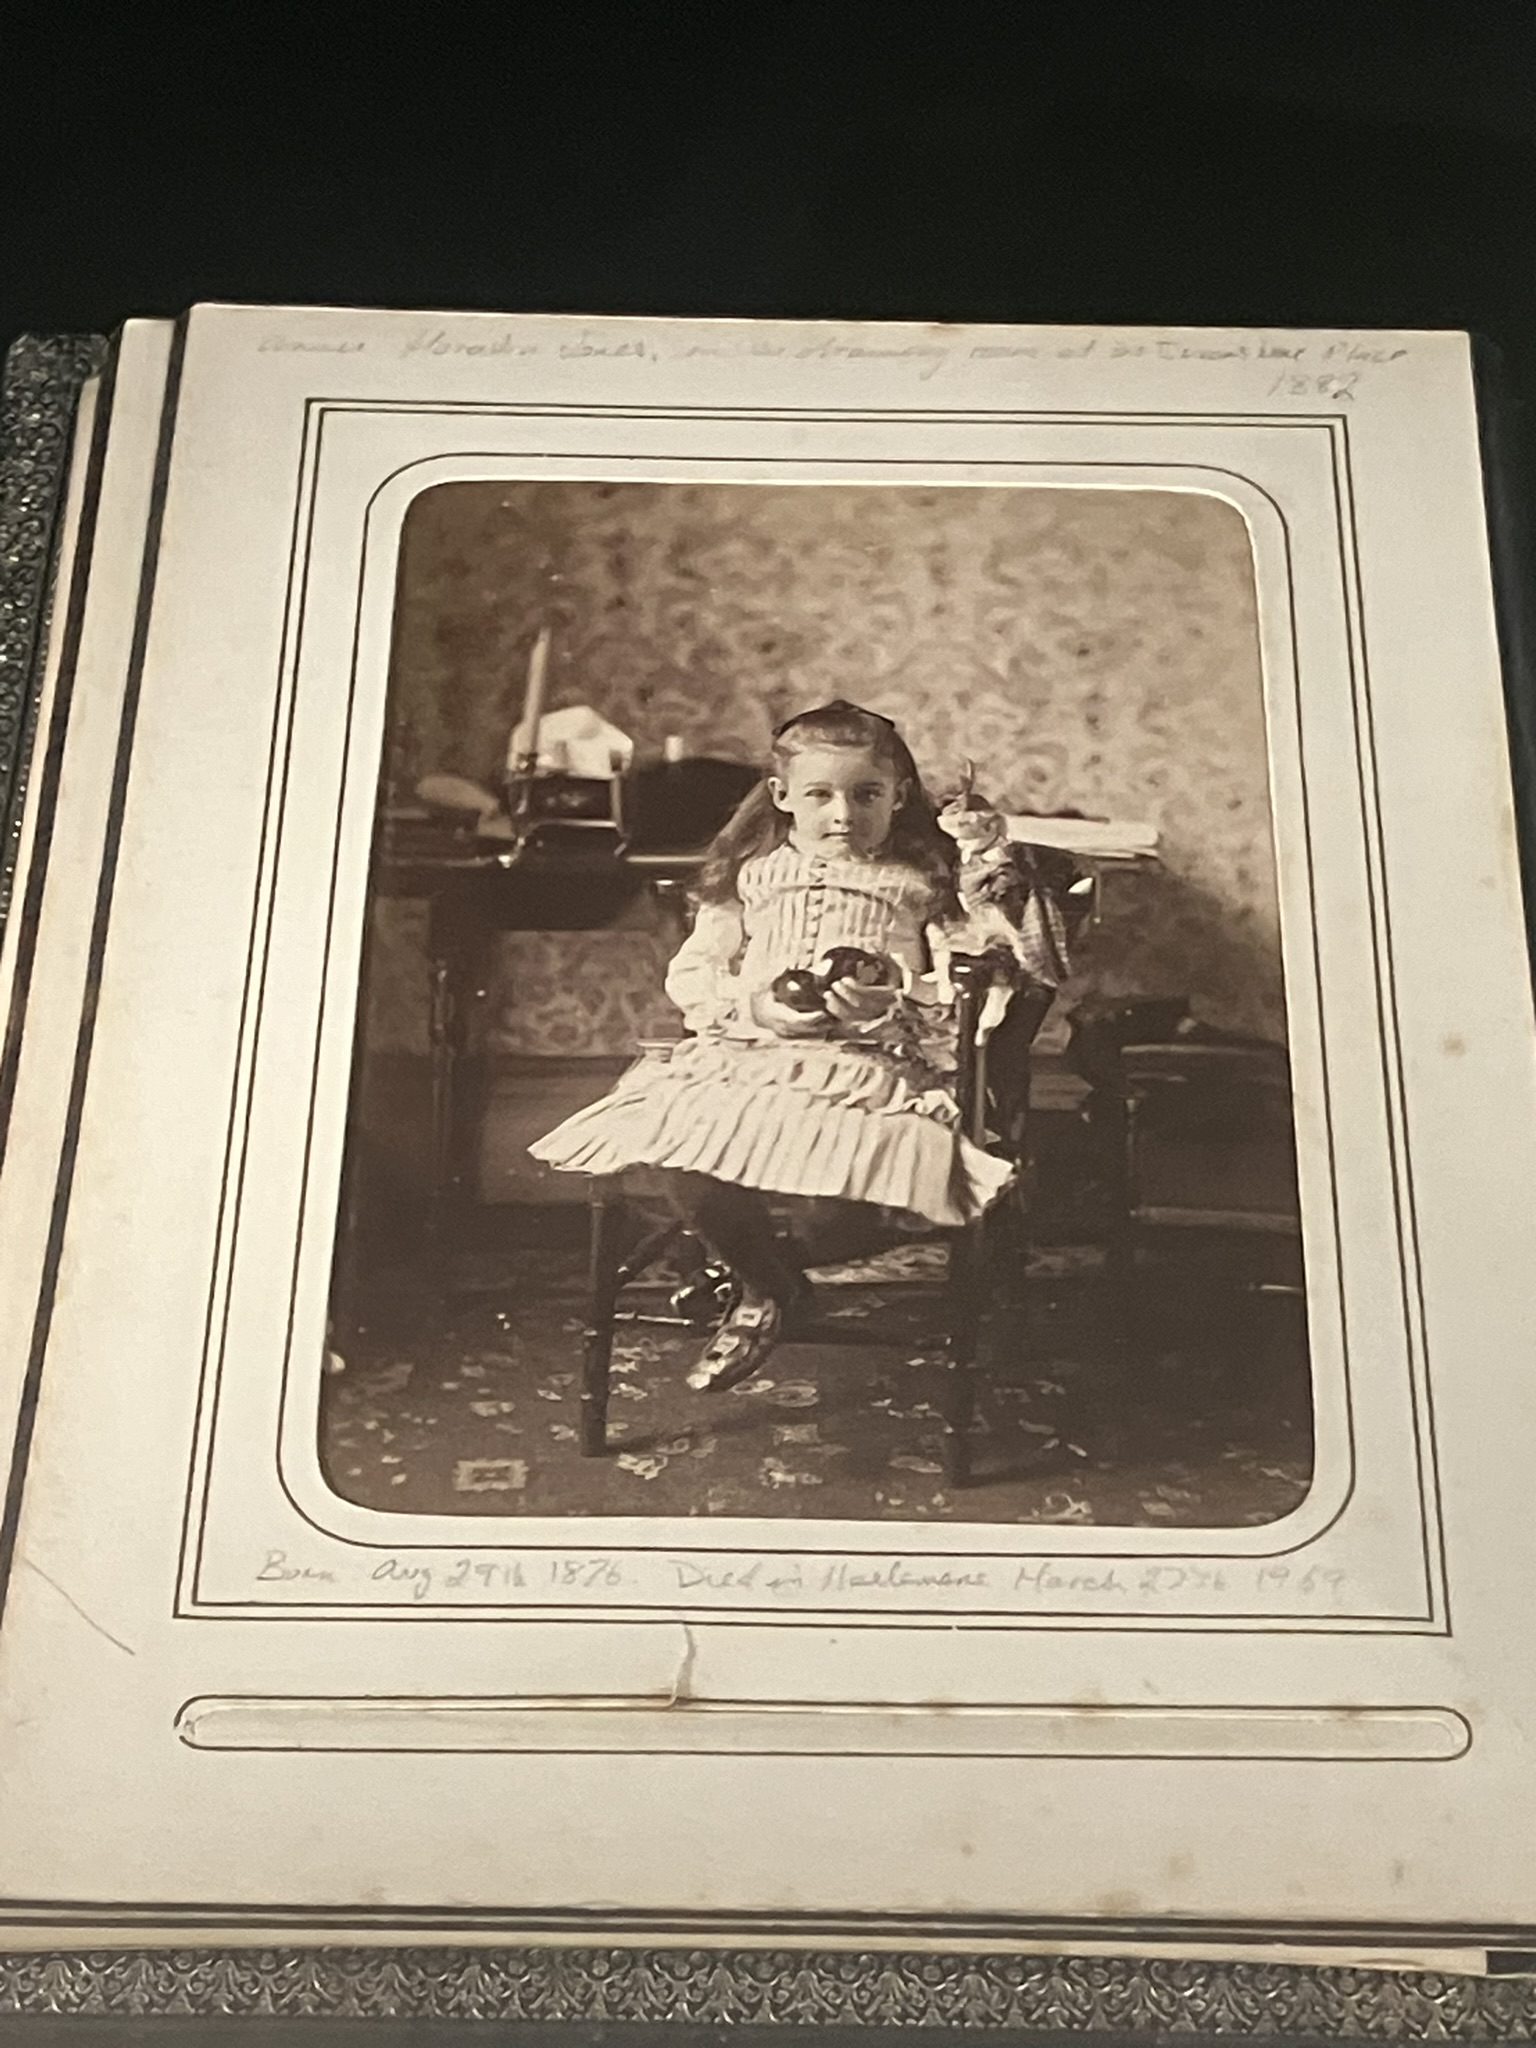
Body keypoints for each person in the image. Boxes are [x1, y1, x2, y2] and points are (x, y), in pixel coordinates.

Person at [528, 701, 1015, 1390]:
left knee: (847, 1212)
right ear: (782, 797)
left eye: (866, 794)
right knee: (678, 1147)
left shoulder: (922, 883)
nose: (843, 815)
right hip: (750, 1052)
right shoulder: (750, 874)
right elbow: (697, 971)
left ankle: (753, 1267)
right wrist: (750, 1003)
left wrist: (894, 1000)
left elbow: (968, 984)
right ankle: (768, 1291)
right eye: (819, 795)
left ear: (899, 797)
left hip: (866, 1065)